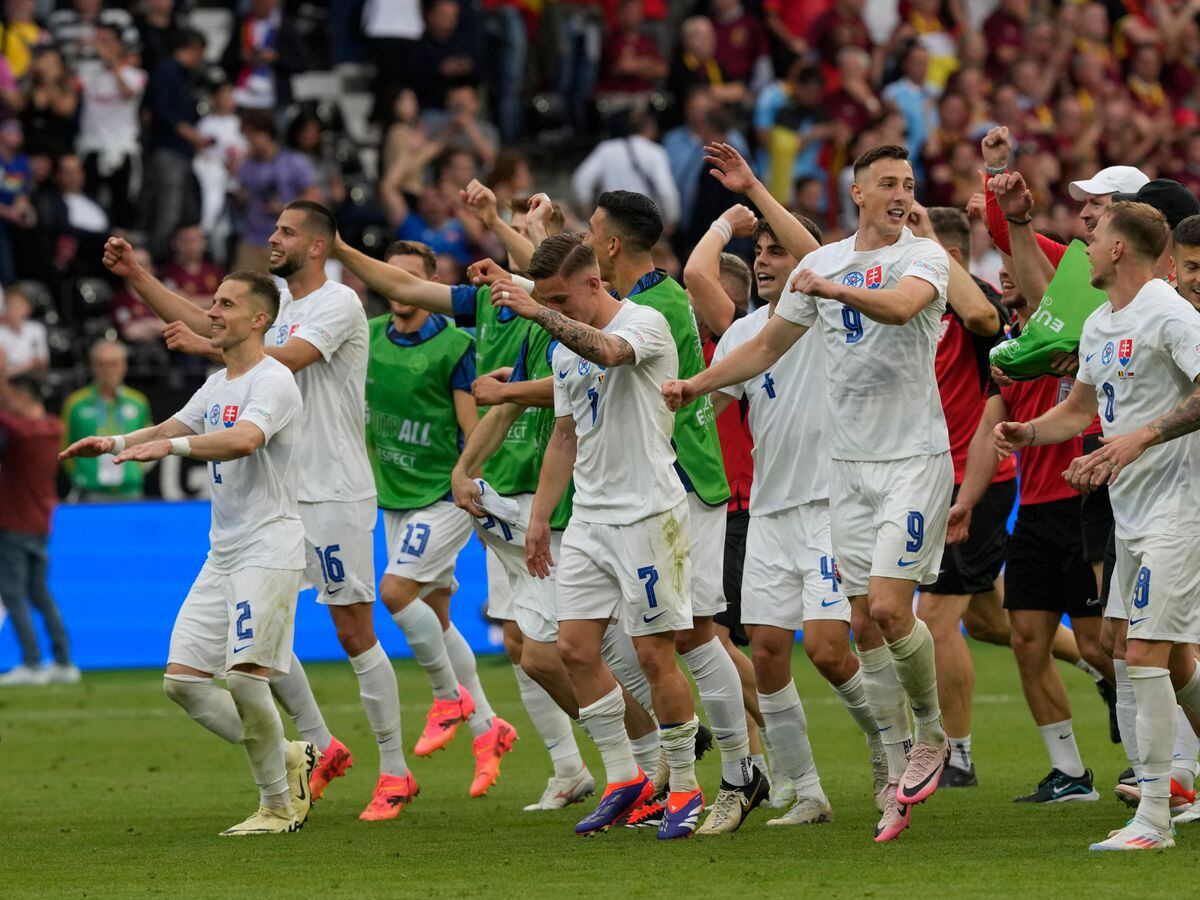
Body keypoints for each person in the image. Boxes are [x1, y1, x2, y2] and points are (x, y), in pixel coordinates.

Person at [664, 144, 953, 843]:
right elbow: (762, 347)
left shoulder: (923, 258)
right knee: (791, 641)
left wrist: (831, 289)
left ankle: (926, 737)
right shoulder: (810, 278)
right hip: (804, 493)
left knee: (867, 618)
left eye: (907, 183)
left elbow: (898, 306)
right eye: (887, 182)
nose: (899, 192)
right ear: (857, 191)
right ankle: (816, 786)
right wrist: (694, 386)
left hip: (900, 462)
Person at [102, 201, 405, 822]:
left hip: (334, 486)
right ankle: (318, 745)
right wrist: (139, 278)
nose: (273, 238)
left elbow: (268, 362)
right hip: (280, 493)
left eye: (287, 232)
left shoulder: (338, 304)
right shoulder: (279, 309)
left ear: (317, 245)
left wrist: (208, 348)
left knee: (352, 631)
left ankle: (395, 771)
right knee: (262, 633)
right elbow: (224, 330)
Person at [332, 230, 602, 812]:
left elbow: (531, 404)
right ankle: (561, 763)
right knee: (516, 642)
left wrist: (465, 466)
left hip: (505, 495)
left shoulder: (526, 324)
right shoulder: (439, 321)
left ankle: (639, 751)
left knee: (579, 642)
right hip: (463, 494)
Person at [59, 270, 314, 835]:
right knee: (183, 683)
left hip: (268, 545)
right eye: (213, 301)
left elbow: (245, 440)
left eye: (226, 304)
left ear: (259, 319)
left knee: (247, 679)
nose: (213, 312)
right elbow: (173, 423)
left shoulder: (273, 381)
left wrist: (166, 448)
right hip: (222, 551)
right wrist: (118, 442)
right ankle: (290, 754)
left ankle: (277, 805)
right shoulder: (220, 381)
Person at [994, 201, 1200, 850]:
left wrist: (1138, 440)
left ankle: (1155, 817)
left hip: (1180, 505)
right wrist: (1029, 432)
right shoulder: (1100, 324)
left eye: (1095, 235)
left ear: (1119, 250)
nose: (1084, 246)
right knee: (1155, 655)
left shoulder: (1169, 311)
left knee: (1142, 653)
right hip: (1129, 511)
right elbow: (1080, 410)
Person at [489, 234, 707, 840]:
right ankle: (623, 779)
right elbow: (565, 435)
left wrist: (541, 312)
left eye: (561, 297)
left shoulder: (647, 322)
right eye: (546, 299)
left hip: (648, 514)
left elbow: (611, 353)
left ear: (593, 283)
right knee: (574, 649)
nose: (554, 310)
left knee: (652, 654)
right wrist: (539, 518)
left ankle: (686, 787)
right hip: (589, 517)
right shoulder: (563, 348)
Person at [583, 191, 760, 832]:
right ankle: (683, 754)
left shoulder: (652, 306)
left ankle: (745, 768)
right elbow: (562, 296)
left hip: (682, 480)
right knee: (624, 634)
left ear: (609, 246)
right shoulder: (631, 300)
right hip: (646, 486)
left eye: (588, 230)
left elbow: (571, 318)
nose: (583, 238)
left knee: (690, 634)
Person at [366, 239, 519, 806]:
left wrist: (466, 478)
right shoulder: (370, 337)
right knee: (433, 614)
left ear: (428, 286)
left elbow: (470, 420)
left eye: (411, 279)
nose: (399, 289)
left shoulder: (456, 345)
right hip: (395, 497)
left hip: (443, 493)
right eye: (392, 277)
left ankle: (449, 698)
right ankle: (488, 730)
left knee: (396, 591)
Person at [913, 204, 1012, 788]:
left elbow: (986, 321)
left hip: (973, 482)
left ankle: (959, 754)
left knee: (935, 619)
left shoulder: (976, 307)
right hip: (931, 479)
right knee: (998, 623)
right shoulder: (918, 304)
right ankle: (1097, 666)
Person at [0, 352, 77, 687]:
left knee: (14, 594)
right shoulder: (53, 428)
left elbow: (10, 422)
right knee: (40, 594)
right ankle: (62, 661)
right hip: (42, 524)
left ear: (24, 397)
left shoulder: (25, 432)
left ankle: (32, 664)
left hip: (14, 524)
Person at [143, 29, 209, 259]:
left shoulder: (184, 76)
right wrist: (190, 134)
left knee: (185, 207)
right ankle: (159, 257)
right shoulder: (167, 70)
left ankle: (180, 258)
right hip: (167, 149)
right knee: (168, 208)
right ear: (193, 49)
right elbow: (162, 111)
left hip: (182, 152)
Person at [60, 339, 152, 502]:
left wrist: (135, 471)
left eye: (113, 364)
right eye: (101, 364)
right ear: (92, 367)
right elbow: (63, 444)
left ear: (124, 365)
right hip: (90, 492)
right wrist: (79, 475)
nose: (108, 370)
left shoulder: (138, 402)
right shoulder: (75, 403)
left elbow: (150, 440)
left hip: (131, 491)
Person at [76, 23, 146, 230]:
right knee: (88, 206)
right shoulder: (88, 74)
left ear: (119, 44)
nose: (102, 46)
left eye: (107, 41)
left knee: (122, 207)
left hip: (121, 148)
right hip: (91, 146)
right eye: (100, 41)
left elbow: (127, 93)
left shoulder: (135, 74)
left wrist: (112, 62)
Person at [234, 111, 320, 274]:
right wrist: (240, 198)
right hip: (252, 238)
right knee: (242, 291)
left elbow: (314, 197)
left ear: (266, 133)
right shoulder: (247, 165)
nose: (249, 141)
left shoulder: (294, 161)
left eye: (253, 135)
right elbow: (243, 198)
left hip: (287, 240)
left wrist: (286, 208)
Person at [0, 287, 47, 375]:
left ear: (28, 308)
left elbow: (43, 361)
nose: (14, 311)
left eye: (18, 306)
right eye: (10, 306)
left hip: (34, 378)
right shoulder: (1, 333)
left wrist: (29, 366)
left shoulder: (37, 329)